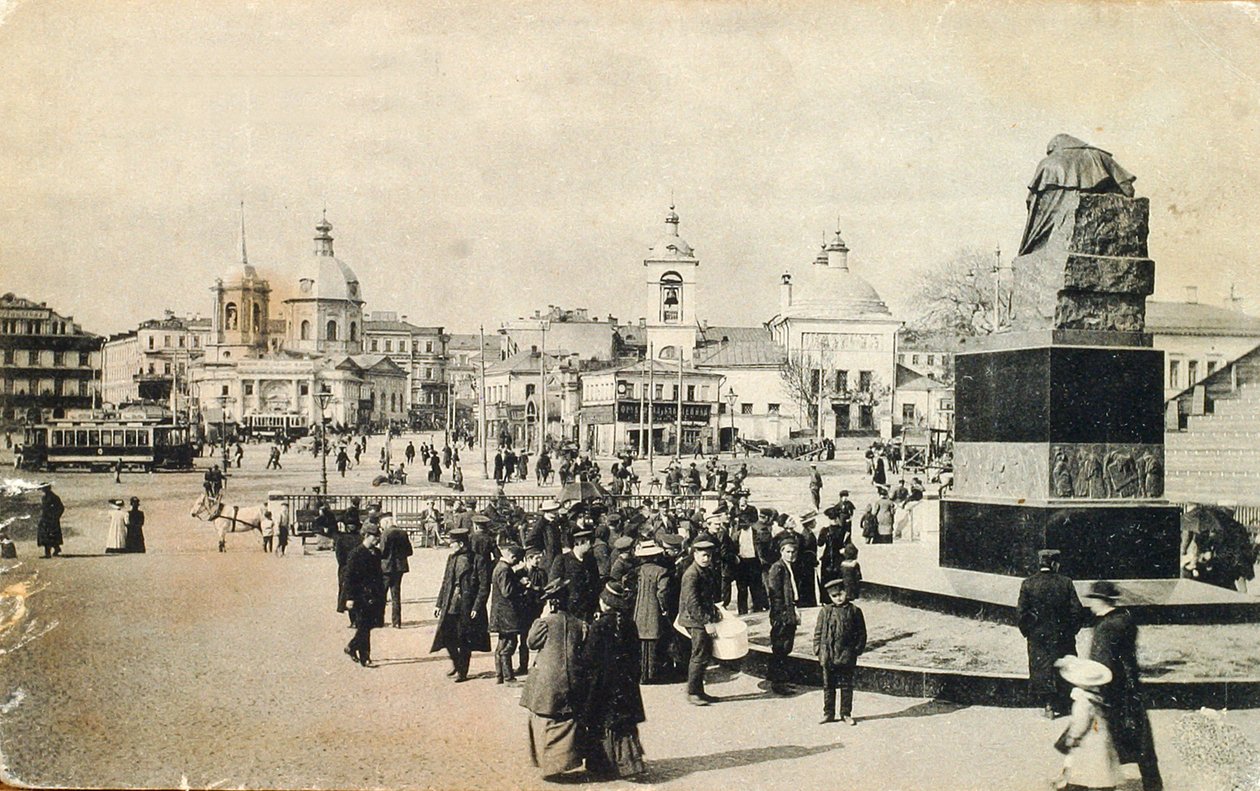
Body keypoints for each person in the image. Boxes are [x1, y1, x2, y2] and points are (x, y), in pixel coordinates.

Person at [1084, 580, 1163, 791]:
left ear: (1102, 601)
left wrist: (1090, 686)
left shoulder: (1105, 627)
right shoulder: (1126, 619)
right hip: (1131, 689)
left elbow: (1102, 665)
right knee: (1141, 742)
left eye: (1093, 599)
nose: (1090, 604)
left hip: (1111, 692)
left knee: (1100, 740)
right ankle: (1153, 785)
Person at [520, 578, 589, 780]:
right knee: (567, 721)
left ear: (550, 603)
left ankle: (547, 764)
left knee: (544, 720)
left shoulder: (544, 623)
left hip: (546, 683)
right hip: (572, 681)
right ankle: (564, 762)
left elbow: (532, 643)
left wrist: (540, 618)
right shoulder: (579, 624)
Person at [579, 581, 648, 779]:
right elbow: (636, 655)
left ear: (605, 603)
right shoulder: (629, 624)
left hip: (603, 683)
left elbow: (589, 658)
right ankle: (631, 764)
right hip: (625, 683)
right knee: (624, 724)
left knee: (602, 722)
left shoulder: (599, 626)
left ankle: (604, 766)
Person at [1017, 549, 1083, 718]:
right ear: (1054, 564)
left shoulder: (1028, 584)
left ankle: (1049, 706)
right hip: (1062, 635)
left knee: (1042, 668)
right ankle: (1065, 703)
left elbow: (1021, 614)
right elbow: (1077, 611)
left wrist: (1030, 631)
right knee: (1063, 666)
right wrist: (1070, 631)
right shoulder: (1066, 582)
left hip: (1038, 636)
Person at [430, 526, 491, 682]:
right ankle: (457, 663)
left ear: (461, 544)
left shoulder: (478, 559)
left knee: (464, 638)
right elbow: (445, 582)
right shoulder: (452, 558)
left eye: (453, 543)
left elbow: (484, 586)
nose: (451, 545)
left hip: (467, 605)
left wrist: (477, 607)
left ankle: (462, 672)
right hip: (451, 603)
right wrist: (439, 604)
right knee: (447, 636)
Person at [1053, 656, 1121, 791]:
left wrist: (1073, 737)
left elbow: (1080, 722)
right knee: (1101, 769)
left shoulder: (1082, 702)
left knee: (1083, 768)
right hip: (1100, 738)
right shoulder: (1097, 699)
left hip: (1088, 742)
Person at [814, 578, 867, 725]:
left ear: (846, 592)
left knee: (846, 685)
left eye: (840, 594)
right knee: (828, 686)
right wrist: (818, 649)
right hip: (828, 655)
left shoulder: (855, 611)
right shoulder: (825, 611)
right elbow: (818, 632)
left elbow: (861, 634)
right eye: (834, 596)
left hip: (846, 655)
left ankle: (846, 713)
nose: (838, 598)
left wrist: (856, 650)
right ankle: (828, 713)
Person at [678, 533, 722, 706]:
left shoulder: (704, 570)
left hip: (701, 617)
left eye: (709, 555)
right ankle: (693, 692)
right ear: (695, 555)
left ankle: (700, 691)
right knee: (699, 655)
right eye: (703, 555)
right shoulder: (691, 574)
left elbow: (706, 598)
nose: (706, 558)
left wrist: (714, 611)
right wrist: (707, 622)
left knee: (704, 655)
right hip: (695, 620)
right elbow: (692, 603)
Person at [343, 524, 386, 667]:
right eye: (375, 537)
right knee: (364, 626)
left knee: (368, 625)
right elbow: (348, 578)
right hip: (360, 595)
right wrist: (349, 598)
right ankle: (364, 657)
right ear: (366, 536)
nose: (377, 540)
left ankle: (352, 647)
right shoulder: (355, 554)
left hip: (374, 595)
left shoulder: (377, 553)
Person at [630, 540, 671, 684]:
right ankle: (652, 674)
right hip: (654, 608)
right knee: (653, 641)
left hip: (640, 608)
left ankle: (641, 675)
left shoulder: (637, 570)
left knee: (641, 641)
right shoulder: (662, 571)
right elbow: (662, 593)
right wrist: (664, 608)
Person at [766, 535, 802, 695]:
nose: (791, 555)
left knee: (786, 647)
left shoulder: (788, 566)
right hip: (782, 614)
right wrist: (781, 616)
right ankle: (778, 683)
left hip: (789, 610)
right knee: (780, 647)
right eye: (787, 552)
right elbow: (774, 594)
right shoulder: (777, 567)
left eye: (793, 552)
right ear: (781, 551)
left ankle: (782, 680)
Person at [549, 527, 600, 622]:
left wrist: (597, 608)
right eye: (588, 542)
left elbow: (596, 586)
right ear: (579, 543)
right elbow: (554, 587)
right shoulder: (562, 560)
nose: (591, 545)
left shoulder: (591, 561)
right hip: (569, 611)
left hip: (588, 611)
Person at [517, 547, 549, 675]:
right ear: (529, 559)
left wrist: (533, 587)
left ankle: (537, 665)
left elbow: (545, 590)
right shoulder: (519, 573)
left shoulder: (541, 573)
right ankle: (523, 666)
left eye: (539, 558)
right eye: (536, 558)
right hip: (522, 609)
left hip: (535, 609)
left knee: (536, 636)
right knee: (523, 639)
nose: (538, 561)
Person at [381, 514, 414, 628]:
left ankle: (379, 619)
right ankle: (396, 621)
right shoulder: (403, 533)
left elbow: (382, 551)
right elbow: (410, 551)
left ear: (385, 524)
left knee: (382, 594)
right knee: (396, 595)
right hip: (399, 567)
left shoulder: (385, 533)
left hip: (386, 567)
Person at [36, 484, 64, 558]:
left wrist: (56, 517)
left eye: (43, 488)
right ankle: (56, 548)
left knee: (48, 535)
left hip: (51, 519)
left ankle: (48, 553)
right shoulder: (44, 497)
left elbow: (61, 508)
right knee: (47, 535)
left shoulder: (54, 497)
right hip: (45, 518)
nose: (42, 490)